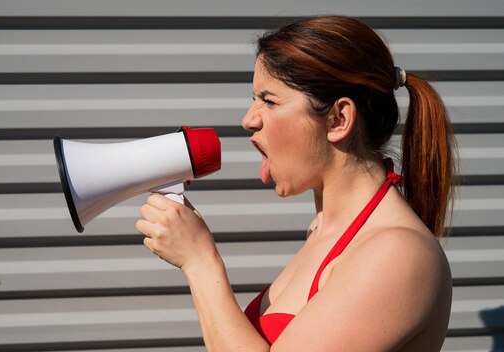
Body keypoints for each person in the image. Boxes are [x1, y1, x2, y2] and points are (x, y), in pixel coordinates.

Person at [136, 15, 456, 351]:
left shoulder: (398, 254)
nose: (249, 119)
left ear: (338, 119)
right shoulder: (323, 229)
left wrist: (200, 262)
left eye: (270, 101)